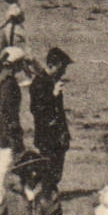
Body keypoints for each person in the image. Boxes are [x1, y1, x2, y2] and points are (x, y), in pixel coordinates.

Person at [0, 47, 32, 205]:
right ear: (16, 64)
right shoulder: (9, 83)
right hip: (4, 123)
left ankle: (2, 192)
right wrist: (14, 128)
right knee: (8, 157)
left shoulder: (1, 77)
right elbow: (9, 108)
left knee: (6, 157)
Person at [27, 47, 73, 189]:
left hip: (57, 135)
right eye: (62, 68)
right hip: (47, 135)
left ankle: (41, 191)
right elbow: (36, 109)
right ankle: (39, 192)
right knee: (49, 169)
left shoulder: (51, 81)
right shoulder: (39, 83)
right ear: (52, 65)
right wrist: (52, 95)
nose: (64, 72)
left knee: (56, 170)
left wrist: (65, 132)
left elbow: (60, 111)